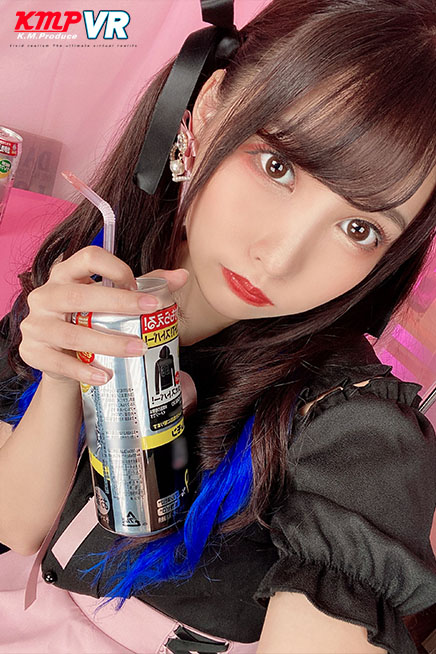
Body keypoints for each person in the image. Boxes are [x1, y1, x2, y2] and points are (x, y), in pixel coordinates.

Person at [0, 0, 435, 652]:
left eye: (359, 228)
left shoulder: (350, 426)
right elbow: (16, 525)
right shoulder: (94, 268)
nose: (280, 258)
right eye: (277, 167)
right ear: (207, 108)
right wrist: (64, 373)